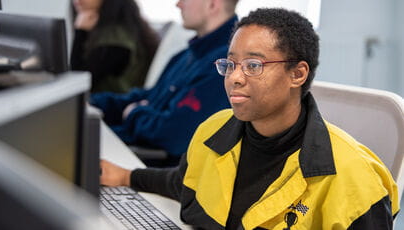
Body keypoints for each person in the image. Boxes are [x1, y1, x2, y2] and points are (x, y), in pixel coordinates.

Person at [100, 7, 399, 229]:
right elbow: (184, 183)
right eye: (230, 64)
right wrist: (127, 177)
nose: (235, 78)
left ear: (297, 74)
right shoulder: (212, 131)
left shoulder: (354, 178)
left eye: (253, 65)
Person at [91, 0, 239, 166]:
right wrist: (91, 102)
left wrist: (134, 113)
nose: (178, 5)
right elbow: (150, 97)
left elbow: (174, 135)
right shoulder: (187, 55)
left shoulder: (223, 66)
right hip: (136, 149)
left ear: (213, 5)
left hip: (157, 172)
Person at [70, 0, 159, 93]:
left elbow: (79, 82)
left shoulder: (116, 40)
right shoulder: (121, 29)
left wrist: (80, 33)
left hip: (111, 105)